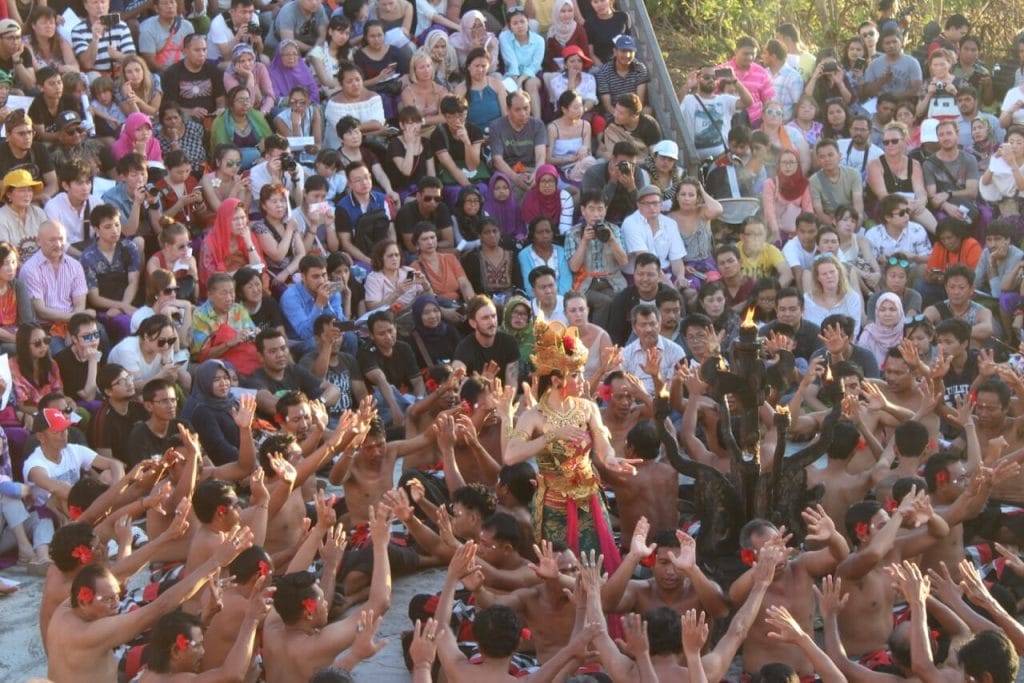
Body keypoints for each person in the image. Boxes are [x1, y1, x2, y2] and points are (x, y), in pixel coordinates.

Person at [503, 315, 637, 573]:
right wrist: (551, 436)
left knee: (595, 562)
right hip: (553, 502)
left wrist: (611, 459)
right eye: (575, 374)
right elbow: (510, 456)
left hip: (589, 498)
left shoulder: (587, 408)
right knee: (561, 566)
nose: (582, 379)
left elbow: (601, 443)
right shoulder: (535, 416)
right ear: (555, 380)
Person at [243, 327, 340, 418]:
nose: (280, 354)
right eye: (273, 351)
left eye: (283, 348)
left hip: (306, 425)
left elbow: (334, 390)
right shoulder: (255, 380)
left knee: (319, 393)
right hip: (279, 433)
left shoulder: (293, 370)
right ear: (260, 357)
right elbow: (271, 405)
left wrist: (319, 403)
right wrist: (306, 409)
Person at [563, 191, 628, 328]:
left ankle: (611, 341)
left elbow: (623, 262)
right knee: (604, 302)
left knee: (618, 301)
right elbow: (573, 267)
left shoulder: (614, 230)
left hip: (612, 281)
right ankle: (597, 338)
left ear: (606, 210)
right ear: (583, 210)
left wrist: (611, 240)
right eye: (591, 209)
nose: (596, 214)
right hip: (585, 284)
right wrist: (584, 241)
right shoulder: (572, 233)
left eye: (600, 209)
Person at [21, 221, 89, 350]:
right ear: (38, 241)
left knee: (98, 336)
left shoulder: (75, 265)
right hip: (46, 328)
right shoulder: (30, 269)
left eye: (61, 239)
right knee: (61, 353)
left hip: (74, 323)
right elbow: (42, 311)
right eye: (52, 240)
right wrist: (75, 319)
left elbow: (80, 304)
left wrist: (73, 327)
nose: (58, 244)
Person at [866, 120, 936, 232]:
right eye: (886, 142)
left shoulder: (914, 164)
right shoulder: (875, 165)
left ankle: (940, 234)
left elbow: (920, 191)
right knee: (904, 210)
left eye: (894, 141)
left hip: (911, 206)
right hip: (885, 206)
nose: (890, 145)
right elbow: (882, 195)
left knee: (920, 209)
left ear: (904, 141)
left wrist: (921, 201)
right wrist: (907, 203)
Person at [191, 272, 260, 373]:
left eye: (231, 292)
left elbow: (252, 332)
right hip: (218, 365)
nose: (229, 298)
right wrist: (228, 344)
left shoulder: (238, 309)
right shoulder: (200, 316)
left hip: (244, 357)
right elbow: (200, 356)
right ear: (210, 295)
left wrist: (255, 334)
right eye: (223, 293)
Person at [108, 314, 190, 392]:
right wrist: (162, 375)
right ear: (146, 337)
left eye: (171, 340)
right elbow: (134, 388)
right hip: (121, 392)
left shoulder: (166, 345)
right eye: (161, 341)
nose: (166, 346)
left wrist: (167, 363)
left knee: (185, 377)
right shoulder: (127, 350)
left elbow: (170, 381)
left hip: (150, 389)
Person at [199, 198, 267, 293]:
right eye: (235, 219)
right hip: (224, 287)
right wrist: (240, 273)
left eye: (243, 218)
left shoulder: (248, 235)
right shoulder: (210, 242)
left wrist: (248, 242)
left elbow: (258, 267)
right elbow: (211, 279)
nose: (240, 223)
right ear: (224, 220)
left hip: (247, 282)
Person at [923, 119, 981, 226]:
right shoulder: (929, 163)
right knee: (945, 221)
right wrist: (946, 206)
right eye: (941, 135)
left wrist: (948, 194)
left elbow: (972, 193)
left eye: (949, 133)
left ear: (957, 135)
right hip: (943, 207)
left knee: (986, 215)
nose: (945, 138)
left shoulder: (969, 159)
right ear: (938, 138)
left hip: (967, 204)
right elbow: (932, 199)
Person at [490, 91, 547, 197]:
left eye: (526, 108)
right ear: (508, 110)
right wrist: (516, 178)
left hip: (532, 168)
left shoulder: (537, 124)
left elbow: (541, 156)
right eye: (517, 110)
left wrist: (536, 174)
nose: (523, 113)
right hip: (508, 170)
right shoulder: (496, 126)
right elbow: (497, 161)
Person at [453, 294, 519, 385]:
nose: (492, 322)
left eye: (493, 316)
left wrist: (503, 399)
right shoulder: (464, 347)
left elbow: (512, 385)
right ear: (473, 323)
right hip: (475, 397)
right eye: (485, 318)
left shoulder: (509, 342)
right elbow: (456, 379)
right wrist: (479, 383)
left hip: (505, 396)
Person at [161, 35, 226, 124]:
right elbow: (170, 107)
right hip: (184, 120)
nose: (202, 54)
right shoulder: (172, 73)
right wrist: (190, 112)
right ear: (185, 51)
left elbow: (220, 98)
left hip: (211, 118)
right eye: (197, 50)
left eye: (204, 49)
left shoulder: (213, 70)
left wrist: (220, 110)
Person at [210, 86, 273, 171]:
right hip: (231, 165)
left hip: (259, 163)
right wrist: (257, 151)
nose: (245, 103)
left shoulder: (257, 117)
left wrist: (263, 156)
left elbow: (270, 143)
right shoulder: (220, 122)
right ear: (231, 104)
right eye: (241, 100)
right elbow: (222, 153)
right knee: (254, 154)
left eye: (247, 99)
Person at [69, 0, 136, 78]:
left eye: (103, 2)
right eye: (95, 2)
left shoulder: (121, 26)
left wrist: (116, 55)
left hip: (119, 73)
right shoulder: (78, 30)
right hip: (96, 78)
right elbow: (87, 64)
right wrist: (95, 39)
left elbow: (133, 59)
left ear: (108, 4)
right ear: (85, 6)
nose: (100, 6)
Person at [411, 223, 475, 305]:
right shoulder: (414, 267)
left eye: (432, 237)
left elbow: (464, 284)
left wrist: (472, 305)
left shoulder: (450, 258)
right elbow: (420, 298)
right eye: (425, 239)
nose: (430, 242)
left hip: (457, 304)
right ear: (417, 244)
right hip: (435, 309)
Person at [364, 240, 429, 315]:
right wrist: (397, 293)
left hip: (414, 312)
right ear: (380, 258)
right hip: (389, 317)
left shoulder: (409, 271)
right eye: (390, 256)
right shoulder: (373, 278)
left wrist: (425, 284)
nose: (394, 258)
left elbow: (428, 298)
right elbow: (372, 308)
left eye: (397, 255)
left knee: (438, 304)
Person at [809, 139, 865, 226]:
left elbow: (858, 203)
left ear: (839, 156)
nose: (827, 159)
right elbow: (819, 212)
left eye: (830, 155)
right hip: (829, 222)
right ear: (818, 160)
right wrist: (836, 227)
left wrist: (855, 223)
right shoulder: (813, 181)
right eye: (822, 157)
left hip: (852, 219)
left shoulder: (853, 174)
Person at [763, 149, 813, 244]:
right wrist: (775, 231)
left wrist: (808, 230)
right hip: (775, 232)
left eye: (791, 162)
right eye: (784, 163)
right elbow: (769, 210)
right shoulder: (770, 183)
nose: (788, 166)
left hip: (797, 233)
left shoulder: (803, 184)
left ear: (797, 164)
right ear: (779, 165)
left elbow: (808, 209)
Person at [0, 169, 48, 261]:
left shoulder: (39, 213)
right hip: (14, 272)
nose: (27, 194)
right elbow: (4, 257)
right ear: (9, 194)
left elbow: (49, 242)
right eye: (22, 190)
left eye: (29, 190)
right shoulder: (1, 218)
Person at [137, 0, 195, 72]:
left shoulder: (187, 26)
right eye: (165, 3)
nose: (170, 6)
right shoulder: (147, 28)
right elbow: (150, 62)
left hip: (186, 71)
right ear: (156, 8)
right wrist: (174, 73)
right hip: (160, 74)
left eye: (172, 2)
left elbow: (193, 52)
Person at [521, 165, 574, 238]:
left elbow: (565, 228)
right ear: (538, 182)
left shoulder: (564, 197)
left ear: (556, 182)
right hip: (535, 238)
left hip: (558, 236)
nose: (547, 185)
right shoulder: (530, 199)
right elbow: (530, 230)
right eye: (543, 181)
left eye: (551, 181)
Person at [156, 102, 207, 177]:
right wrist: (174, 140)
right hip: (179, 175)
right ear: (162, 122)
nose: (173, 121)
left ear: (181, 117)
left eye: (176, 117)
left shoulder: (195, 128)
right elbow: (177, 162)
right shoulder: (159, 139)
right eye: (168, 119)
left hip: (202, 172)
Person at [858, 292, 905, 368]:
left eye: (892, 310)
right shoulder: (868, 334)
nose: (887, 314)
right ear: (877, 312)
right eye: (882, 310)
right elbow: (862, 362)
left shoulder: (906, 332)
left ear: (900, 311)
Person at [235, 266, 286, 336]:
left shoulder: (269, 302)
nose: (255, 290)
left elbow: (280, 332)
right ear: (240, 292)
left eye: (257, 284)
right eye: (250, 287)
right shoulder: (235, 311)